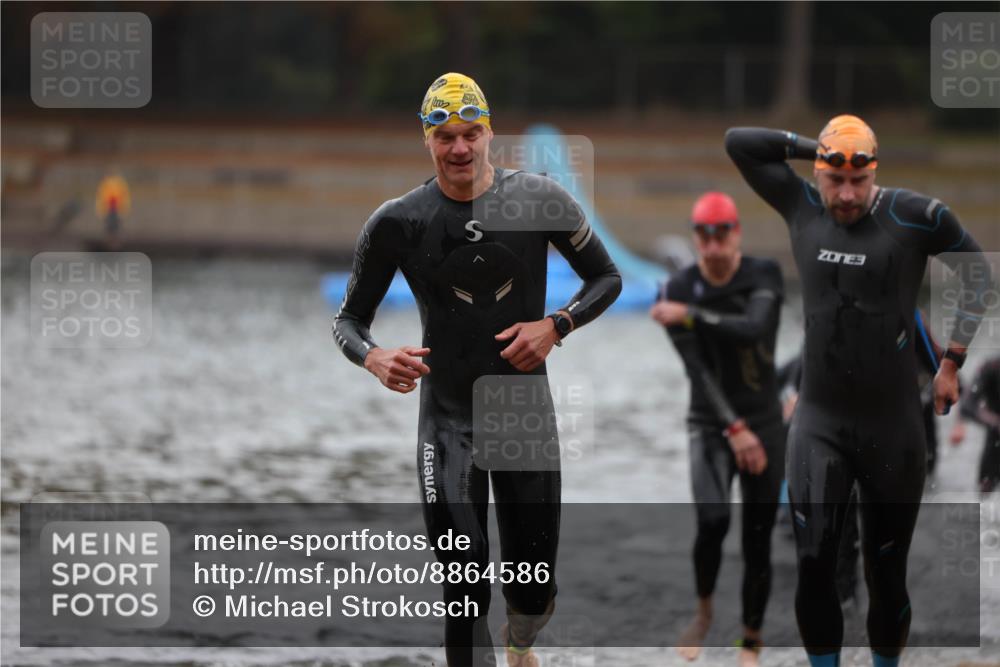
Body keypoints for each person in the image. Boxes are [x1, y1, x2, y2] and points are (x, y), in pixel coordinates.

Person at [332, 72, 621, 667]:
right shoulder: (399, 222)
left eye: (471, 133)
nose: (459, 148)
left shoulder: (540, 199)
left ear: (490, 132)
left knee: (533, 594)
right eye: (445, 137)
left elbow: (607, 277)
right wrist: (373, 356)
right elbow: (347, 321)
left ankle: (521, 644)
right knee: (463, 584)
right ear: (427, 139)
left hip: (523, 420)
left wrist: (556, 325)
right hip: (448, 421)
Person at [725, 115, 989, 667]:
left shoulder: (914, 216)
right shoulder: (801, 205)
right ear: (818, 171)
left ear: (875, 175)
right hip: (819, 422)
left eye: (859, 182)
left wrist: (952, 362)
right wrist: (808, 146)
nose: (846, 195)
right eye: (834, 180)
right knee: (816, 560)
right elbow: (739, 143)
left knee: (886, 570)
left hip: (893, 428)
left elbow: (978, 274)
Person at [650, 192, 785, 667]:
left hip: (765, 422)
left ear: (737, 233)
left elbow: (752, 328)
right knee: (712, 522)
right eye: (703, 234)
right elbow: (698, 371)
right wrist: (734, 428)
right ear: (694, 237)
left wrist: (691, 314)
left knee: (758, 534)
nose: (712, 244)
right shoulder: (674, 290)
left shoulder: (764, 275)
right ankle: (704, 612)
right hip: (710, 421)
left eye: (721, 232)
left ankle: (750, 639)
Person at [955, 356, 1000, 495]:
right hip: (995, 444)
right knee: (986, 492)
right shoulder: (991, 367)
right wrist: (994, 422)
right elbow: (967, 405)